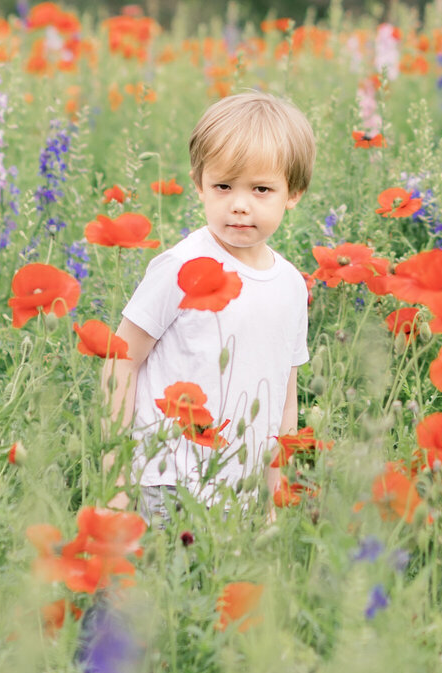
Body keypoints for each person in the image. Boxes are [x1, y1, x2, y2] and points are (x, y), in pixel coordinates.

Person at [101, 89, 313, 508]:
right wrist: (116, 476)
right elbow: (121, 358)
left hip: (243, 495)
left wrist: (275, 495)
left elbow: (285, 399)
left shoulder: (290, 285)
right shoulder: (181, 265)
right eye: (223, 186)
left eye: (261, 190)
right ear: (199, 185)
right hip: (166, 483)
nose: (239, 205)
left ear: (294, 194)